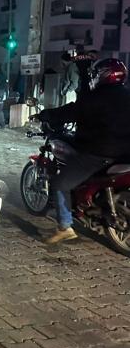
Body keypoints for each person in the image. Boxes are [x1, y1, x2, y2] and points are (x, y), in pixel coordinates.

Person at [32, 58, 130, 244]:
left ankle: (64, 227)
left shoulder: (97, 98)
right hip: (124, 153)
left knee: (60, 183)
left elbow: (71, 111)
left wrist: (46, 115)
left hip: (100, 153)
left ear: (103, 75)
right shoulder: (126, 95)